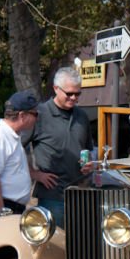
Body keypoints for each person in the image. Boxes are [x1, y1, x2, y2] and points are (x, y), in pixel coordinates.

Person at [21, 67, 93, 228]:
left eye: (78, 94)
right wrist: (34, 173)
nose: (74, 98)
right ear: (55, 89)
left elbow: (88, 148)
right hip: (52, 196)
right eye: (69, 93)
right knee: (54, 246)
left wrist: (89, 164)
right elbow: (17, 148)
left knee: (81, 244)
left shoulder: (82, 116)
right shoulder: (39, 114)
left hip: (81, 194)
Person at [0, 91, 39, 224]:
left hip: (11, 207)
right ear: (22, 115)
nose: (37, 118)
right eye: (35, 114)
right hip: (2, 208)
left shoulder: (12, 136)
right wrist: (1, 213)